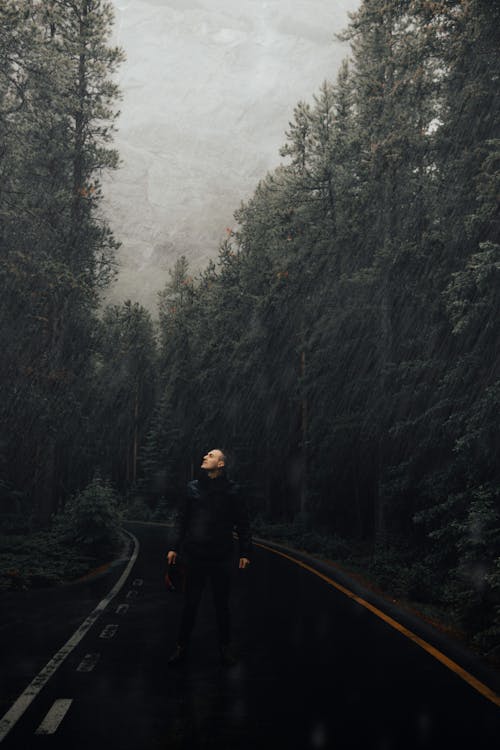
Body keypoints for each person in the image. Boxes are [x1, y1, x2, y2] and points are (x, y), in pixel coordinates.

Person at [166, 448, 252, 667]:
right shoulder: (192, 488)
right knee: (190, 605)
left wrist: (245, 552)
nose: (205, 457)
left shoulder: (233, 491)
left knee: (222, 606)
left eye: (211, 455)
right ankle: (181, 648)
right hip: (195, 556)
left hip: (221, 558)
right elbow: (181, 520)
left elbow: (243, 523)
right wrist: (174, 547)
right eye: (206, 455)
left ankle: (225, 649)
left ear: (221, 464)